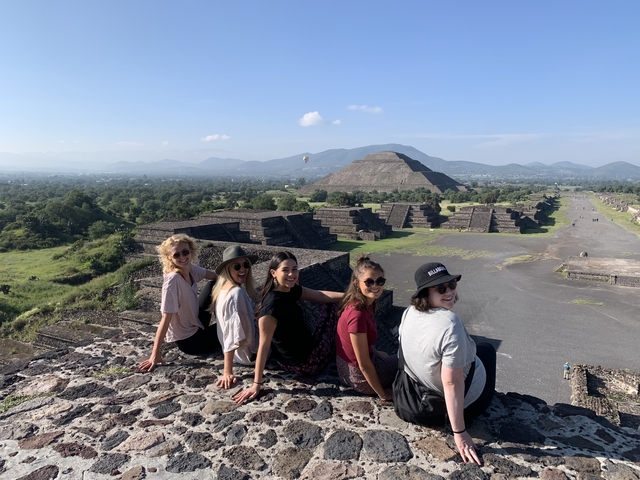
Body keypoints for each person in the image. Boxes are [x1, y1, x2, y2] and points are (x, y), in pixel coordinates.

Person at [399, 262, 496, 466]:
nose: (450, 291)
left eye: (452, 283)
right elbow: (452, 383)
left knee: (482, 349)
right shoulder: (450, 323)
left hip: (417, 393)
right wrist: (459, 433)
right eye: (441, 288)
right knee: (487, 350)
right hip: (460, 403)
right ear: (425, 293)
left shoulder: (408, 312)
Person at [233, 251, 343, 403]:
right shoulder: (270, 309)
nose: (291, 274)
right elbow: (263, 348)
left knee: (339, 301)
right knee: (335, 307)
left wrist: (351, 296)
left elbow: (320, 296)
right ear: (273, 273)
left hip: (301, 353)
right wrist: (256, 385)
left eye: (294, 269)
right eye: (285, 270)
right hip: (305, 364)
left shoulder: (289, 290)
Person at [139, 234, 218, 372]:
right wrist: (155, 353)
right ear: (169, 258)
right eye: (176, 255)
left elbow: (216, 277)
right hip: (190, 341)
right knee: (232, 325)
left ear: (191, 251)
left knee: (215, 285)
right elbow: (165, 318)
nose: (182, 257)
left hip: (196, 323)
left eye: (185, 252)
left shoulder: (190, 269)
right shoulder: (173, 280)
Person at [335, 255, 397, 403]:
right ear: (357, 284)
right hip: (359, 378)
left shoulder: (359, 303)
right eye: (369, 281)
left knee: (387, 355)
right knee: (406, 360)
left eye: (380, 281)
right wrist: (382, 395)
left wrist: (376, 352)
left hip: (345, 369)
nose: (375, 285)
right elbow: (364, 365)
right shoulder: (357, 315)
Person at [209, 245, 259, 389]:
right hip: (248, 354)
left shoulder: (222, 289)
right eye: (237, 267)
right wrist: (227, 371)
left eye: (246, 265)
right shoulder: (236, 293)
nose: (243, 269)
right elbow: (232, 334)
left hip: (240, 353)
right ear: (227, 270)